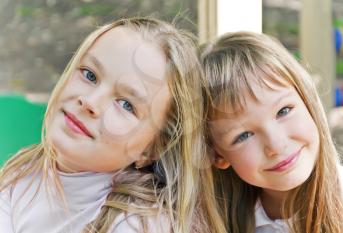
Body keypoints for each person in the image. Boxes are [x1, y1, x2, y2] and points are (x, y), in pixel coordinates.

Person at [0, 17, 225, 233]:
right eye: (89, 75)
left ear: (153, 148)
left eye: (126, 105)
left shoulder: (140, 224)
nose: (90, 102)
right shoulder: (20, 174)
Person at [200, 31, 343, 233]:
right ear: (217, 154)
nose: (276, 145)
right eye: (243, 135)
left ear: (307, 101)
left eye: (283, 111)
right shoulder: (207, 223)